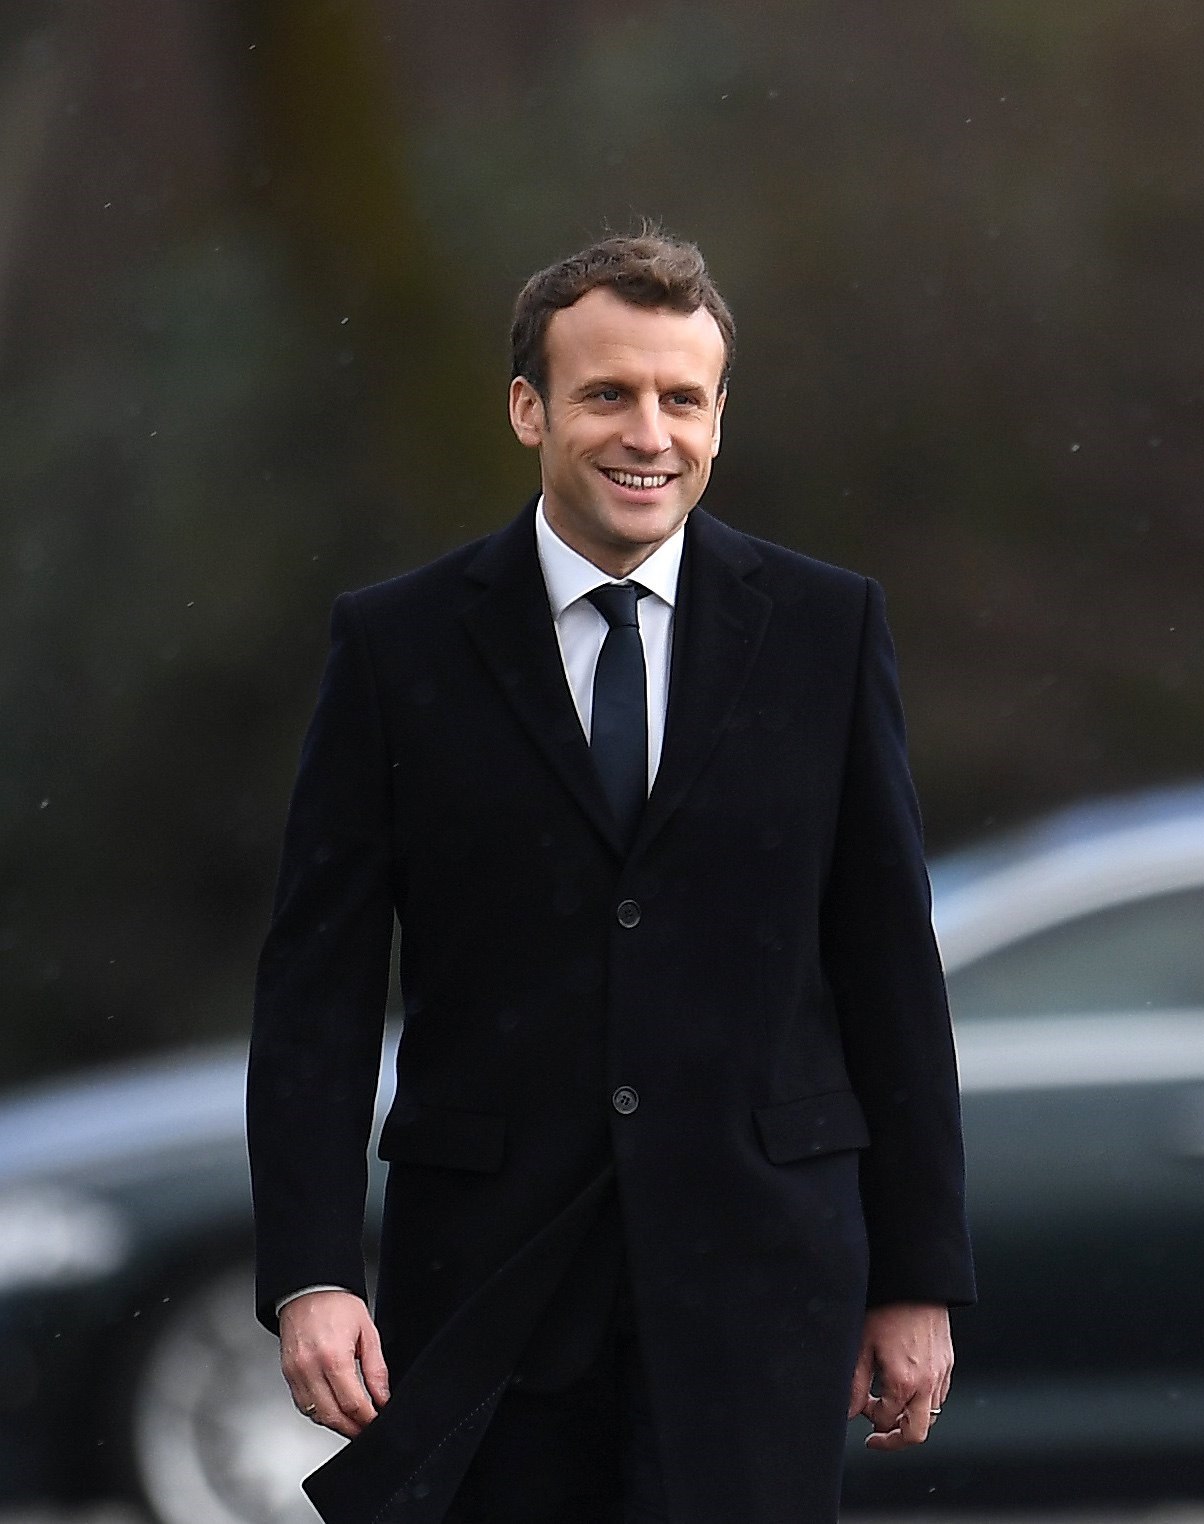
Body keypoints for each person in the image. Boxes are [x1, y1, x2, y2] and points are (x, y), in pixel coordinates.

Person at [247, 230, 974, 1524]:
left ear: (717, 418)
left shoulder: (823, 630)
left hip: (760, 1273)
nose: (649, 432)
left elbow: (886, 966)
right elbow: (320, 983)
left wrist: (915, 1277)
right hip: (489, 1272)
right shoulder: (396, 646)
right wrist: (311, 1273)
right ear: (529, 409)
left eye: (680, 398)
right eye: (607, 394)